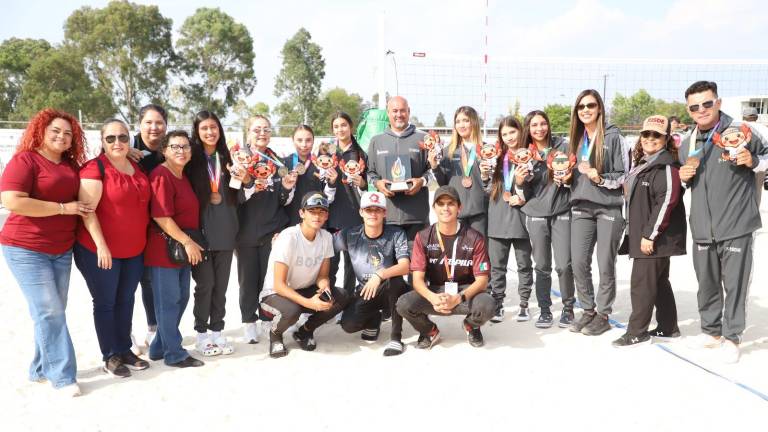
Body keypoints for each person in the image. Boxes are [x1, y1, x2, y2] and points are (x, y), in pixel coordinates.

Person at [1, 108, 92, 397]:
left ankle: (39, 369)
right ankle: (63, 376)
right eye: (56, 130)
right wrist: (63, 209)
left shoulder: (71, 166)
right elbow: (13, 201)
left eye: (68, 133)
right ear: (40, 130)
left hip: (61, 249)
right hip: (25, 248)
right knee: (49, 311)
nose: (62, 136)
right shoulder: (24, 160)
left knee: (51, 312)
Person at [678, 81, 768, 363]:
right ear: (689, 110)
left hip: (737, 223)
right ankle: (711, 332)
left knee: (736, 284)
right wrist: (682, 178)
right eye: (695, 106)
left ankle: (732, 337)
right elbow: (684, 182)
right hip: (703, 227)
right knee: (706, 283)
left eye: (707, 103)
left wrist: (753, 160)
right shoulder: (687, 142)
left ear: (718, 102)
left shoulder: (742, 131)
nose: (701, 110)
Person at [74, 118, 151, 378]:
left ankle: (124, 349)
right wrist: (101, 246)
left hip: (134, 251)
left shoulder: (136, 166)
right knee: (106, 303)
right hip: (99, 250)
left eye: (122, 137)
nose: (117, 142)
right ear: (102, 141)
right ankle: (110, 355)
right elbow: (87, 211)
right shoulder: (94, 168)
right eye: (111, 138)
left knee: (126, 300)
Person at [613, 115, 686, 347]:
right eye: (646, 134)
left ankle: (637, 332)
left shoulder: (665, 166)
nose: (650, 138)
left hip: (655, 239)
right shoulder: (644, 163)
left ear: (666, 139)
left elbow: (667, 201)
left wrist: (649, 235)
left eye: (657, 135)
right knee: (659, 283)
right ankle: (668, 327)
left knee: (642, 285)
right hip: (648, 236)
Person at [396, 186, 495, 349]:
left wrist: (459, 298)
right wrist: (432, 297)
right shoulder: (423, 237)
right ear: (434, 207)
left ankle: (471, 325)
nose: (445, 208)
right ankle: (429, 330)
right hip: (435, 292)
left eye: (450, 203)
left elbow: (482, 280)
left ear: (459, 207)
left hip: (465, 293)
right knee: (403, 304)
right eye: (440, 204)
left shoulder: (475, 237)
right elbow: (417, 280)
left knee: (488, 305)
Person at [260, 192, 350, 358]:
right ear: (302, 213)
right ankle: (275, 335)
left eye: (321, 211)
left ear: (326, 215)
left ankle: (305, 331)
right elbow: (278, 285)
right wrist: (309, 303)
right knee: (292, 311)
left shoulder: (326, 237)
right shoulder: (288, 237)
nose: (317, 215)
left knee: (341, 297)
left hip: (304, 289)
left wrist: (325, 290)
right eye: (312, 211)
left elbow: (322, 276)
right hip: (275, 293)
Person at [568, 89, 628, 336]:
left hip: (608, 206)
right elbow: (570, 172)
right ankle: (588, 309)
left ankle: (603, 314)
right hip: (581, 206)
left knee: (605, 263)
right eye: (581, 106)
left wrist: (600, 178)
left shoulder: (613, 137)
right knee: (579, 262)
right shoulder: (575, 139)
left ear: (599, 108)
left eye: (590, 105)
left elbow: (624, 174)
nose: (585, 110)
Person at [144, 130, 205, 368]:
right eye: (175, 147)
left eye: (185, 147)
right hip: (164, 250)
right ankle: (174, 354)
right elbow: (161, 216)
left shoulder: (182, 176)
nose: (181, 151)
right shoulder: (161, 175)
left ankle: (159, 347)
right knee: (168, 302)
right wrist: (188, 242)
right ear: (164, 151)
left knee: (180, 299)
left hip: (179, 250)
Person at [236, 115, 295, 344]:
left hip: (272, 230)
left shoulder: (277, 162)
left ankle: (266, 317)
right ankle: (248, 321)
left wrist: (287, 188)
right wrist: (250, 183)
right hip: (247, 230)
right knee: (247, 280)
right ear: (248, 132)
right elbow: (235, 196)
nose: (262, 133)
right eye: (257, 129)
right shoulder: (240, 159)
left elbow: (283, 200)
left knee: (269, 280)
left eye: (266, 129)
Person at [185, 111, 239, 356]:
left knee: (221, 286)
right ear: (197, 131)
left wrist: (243, 179)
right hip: (202, 233)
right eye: (204, 128)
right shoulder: (190, 159)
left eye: (214, 127)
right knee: (205, 285)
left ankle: (218, 331)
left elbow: (239, 192)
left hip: (226, 230)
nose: (210, 132)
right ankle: (202, 334)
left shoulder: (228, 157)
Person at [335, 192, 410, 356]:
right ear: (361, 212)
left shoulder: (396, 233)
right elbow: (324, 244)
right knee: (348, 325)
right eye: (369, 210)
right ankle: (373, 319)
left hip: (391, 289)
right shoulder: (349, 234)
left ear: (385, 213)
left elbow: (405, 266)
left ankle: (396, 338)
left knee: (395, 280)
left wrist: (380, 274)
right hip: (366, 291)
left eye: (378, 210)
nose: (373, 214)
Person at [520, 110, 576, 328]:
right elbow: (520, 187)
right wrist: (519, 180)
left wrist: (569, 180)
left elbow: (574, 180)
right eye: (534, 125)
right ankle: (544, 310)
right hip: (535, 214)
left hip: (562, 211)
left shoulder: (562, 147)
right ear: (528, 128)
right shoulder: (525, 152)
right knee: (542, 265)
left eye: (543, 123)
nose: (539, 128)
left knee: (564, 264)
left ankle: (568, 308)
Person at [367, 96, 435, 251]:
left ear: (409, 112)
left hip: (416, 217)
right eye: (395, 111)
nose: (399, 114)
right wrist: (377, 183)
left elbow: (433, 172)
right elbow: (370, 173)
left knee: (417, 270)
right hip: (386, 217)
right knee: (390, 270)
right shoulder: (376, 141)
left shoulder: (424, 139)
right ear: (388, 113)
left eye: (403, 110)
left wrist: (422, 182)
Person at [483, 116, 534, 323]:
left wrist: (522, 191)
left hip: (521, 219)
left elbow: (535, 188)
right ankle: (498, 303)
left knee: (524, 264)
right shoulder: (495, 157)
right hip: (498, 218)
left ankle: (524, 304)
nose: (509, 137)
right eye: (504, 134)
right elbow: (488, 190)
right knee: (497, 267)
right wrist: (485, 176)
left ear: (520, 131)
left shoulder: (529, 156)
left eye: (512, 132)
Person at [128, 104, 168, 350]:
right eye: (149, 122)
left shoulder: (169, 150)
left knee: (150, 282)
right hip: (129, 227)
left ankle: (153, 327)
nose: (154, 127)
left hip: (158, 228)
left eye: (159, 123)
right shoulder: (125, 147)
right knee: (127, 283)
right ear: (140, 124)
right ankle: (126, 334)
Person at [328, 112, 368, 295]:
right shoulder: (327, 154)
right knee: (330, 264)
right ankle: (330, 303)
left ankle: (349, 301)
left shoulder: (361, 154)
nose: (340, 129)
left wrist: (362, 184)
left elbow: (369, 185)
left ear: (351, 127)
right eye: (336, 126)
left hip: (354, 215)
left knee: (353, 264)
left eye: (343, 125)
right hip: (332, 215)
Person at [434, 106, 489, 234]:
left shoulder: (486, 150)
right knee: (458, 252)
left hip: (480, 213)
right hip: (456, 212)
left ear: (474, 122)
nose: (461, 125)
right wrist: (435, 166)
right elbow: (443, 183)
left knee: (480, 252)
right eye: (458, 122)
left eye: (466, 120)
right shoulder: (448, 152)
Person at [284, 124, 337, 226]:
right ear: (293, 140)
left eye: (308, 140)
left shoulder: (321, 164)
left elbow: (328, 199)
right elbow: (281, 199)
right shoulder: (285, 164)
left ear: (313, 141)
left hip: (317, 222)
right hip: (292, 221)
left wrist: (332, 183)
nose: (304, 145)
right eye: (299, 140)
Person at [742, 107, 768, 205]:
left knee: (740, 191)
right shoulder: (765, 129)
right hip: (761, 164)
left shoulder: (739, 128)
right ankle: (754, 213)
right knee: (757, 190)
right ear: (756, 117)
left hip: (742, 164)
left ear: (743, 117)